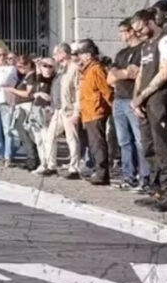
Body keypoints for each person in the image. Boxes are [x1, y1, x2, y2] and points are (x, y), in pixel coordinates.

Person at [130, 9, 167, 211]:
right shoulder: (146, 46)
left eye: (141, 28)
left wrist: (144, 95)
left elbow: (165, 73)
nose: (139, 33)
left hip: (161, 100)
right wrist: (137, 98)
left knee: (165, 147)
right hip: (145, 102)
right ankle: (157, 189)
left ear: (151, 22)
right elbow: (141, 73)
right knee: (149, 147)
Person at [107, 19, 149, 190]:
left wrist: (121, 73)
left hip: (133, 98)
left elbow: (134, 73)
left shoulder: (142, 49)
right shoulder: (121, 53)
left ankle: (145, 177)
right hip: (118, 99)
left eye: (123, 31)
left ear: (132, 31)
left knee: (140, 140)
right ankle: (128, 176)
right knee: (124, 141)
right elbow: (110, 77)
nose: (121, 35)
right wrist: (121, 73)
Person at [38, 43, 83, 178]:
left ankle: (74, 168)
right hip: (58, 109)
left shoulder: (74, 68)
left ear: (63, 54)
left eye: (56, 53)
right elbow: (45, 79)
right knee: (50, 136)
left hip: (69, 108)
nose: (54, 56)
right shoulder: (60, 69)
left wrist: (76, 111)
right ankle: (51, 166)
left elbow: (78, 89)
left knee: (71, 138)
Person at [73, 39, 114, 185]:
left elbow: (106, 91)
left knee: (98, 144)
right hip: (89, 111)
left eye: (81, 54)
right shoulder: (87, 70)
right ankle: (99, 171)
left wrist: (112, 107)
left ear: (88, 55)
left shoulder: (96, 69)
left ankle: (102, 174)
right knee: (94, 144)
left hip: (96, 111)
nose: (79, 57)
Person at [10, 57, 54, 173]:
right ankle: (42, 162)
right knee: (38, 138)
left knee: (45, 137)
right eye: (44, 66)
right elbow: (35, 89)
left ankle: (47, 163)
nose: (46, 68)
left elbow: (31, 92)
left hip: (45, 109)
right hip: (36, 108)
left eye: (49, 66)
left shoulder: (51, 79)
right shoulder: (38, 77)